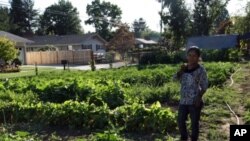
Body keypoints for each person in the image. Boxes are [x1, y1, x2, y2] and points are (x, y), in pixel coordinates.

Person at [174, 46, 208, 141]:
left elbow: (204, 86)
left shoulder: (201, 70)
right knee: (180, 121)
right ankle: (184, 137)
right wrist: (181, 71)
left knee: (194, 123)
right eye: (189, 55)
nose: (191, 58)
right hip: (183, 101)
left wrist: (198, 98)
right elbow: (175, 78)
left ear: (198, 57)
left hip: (194, 101)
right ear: (187, 56)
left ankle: (194, 139)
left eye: (194, 56)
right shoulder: (184, 68)